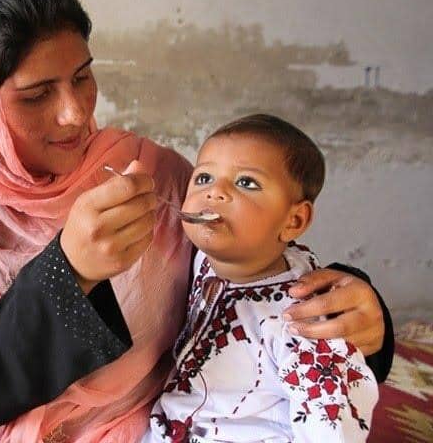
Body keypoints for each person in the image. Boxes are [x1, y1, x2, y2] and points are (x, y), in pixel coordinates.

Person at [0, 0, 393, 442]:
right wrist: (69, 271)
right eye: (36, 95)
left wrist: (363, 311)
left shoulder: (147, 171)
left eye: (83, 77)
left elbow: (260, 272)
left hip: (167, 423)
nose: (74, 113)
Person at [142, 114, 378, 443]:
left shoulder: (300, 321)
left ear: (294, 221)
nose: (215, 192)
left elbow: (331, 421)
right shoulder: (203, 261)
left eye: (246, 183)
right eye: (204, 177)